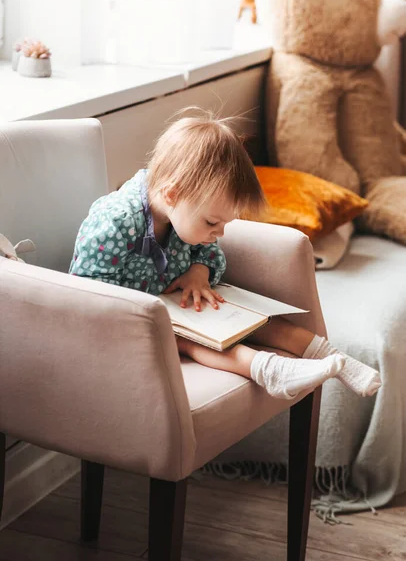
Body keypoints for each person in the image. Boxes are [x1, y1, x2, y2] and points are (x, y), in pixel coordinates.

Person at [70, 109, 381, 400]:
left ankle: (336, 359)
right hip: (134, 322)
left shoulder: (184, 213)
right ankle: (269, 370)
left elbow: (210, 254)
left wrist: (198, 273)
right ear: (172, 194)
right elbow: (88, 291)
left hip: (182, 308)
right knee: (193, 342)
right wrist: (149, 313)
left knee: (264, 324)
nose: (219, 233)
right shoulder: (116, 222)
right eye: (212, 222)